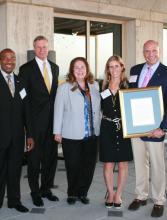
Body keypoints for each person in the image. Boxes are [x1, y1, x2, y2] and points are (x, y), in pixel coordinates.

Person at [128, 40, 167, 217]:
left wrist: (164, 128)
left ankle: (158, 200)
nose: (150, 54)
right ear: (143, 52)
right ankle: (141, 195)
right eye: (147, 51)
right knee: (140, 164)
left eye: (154, 51)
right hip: (136, 128)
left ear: (159, 51)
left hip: (156, 128)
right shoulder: (134, 70)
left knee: (157, 165)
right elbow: (130, 96)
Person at [53, 57, 100, 205]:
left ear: (87, 69)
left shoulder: (95, 86)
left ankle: (83, 192)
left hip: (92, 134)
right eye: (76, 67)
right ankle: (72, 193)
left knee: (88, 166)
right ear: (72, 70)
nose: (80, 70)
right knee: (73, 166)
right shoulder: (64, 87)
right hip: (71, 134)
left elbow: (99, 109)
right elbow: (58, 110)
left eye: (82, 67)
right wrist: (57, 131)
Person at [19, 36, 59, 207]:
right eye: (39, 47)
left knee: (51, 159)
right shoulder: (25, 69)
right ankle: (35, 192)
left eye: (44, 47)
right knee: (34, 160)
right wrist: (28, 128)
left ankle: (46, 189)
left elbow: (55, 96)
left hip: (53, 123)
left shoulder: (55, 68)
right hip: (35, 124)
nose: (42, 50)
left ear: (48, 48)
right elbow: (24, 100)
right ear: (34, 49)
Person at [0, 48, 34, 212]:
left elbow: (27, 110)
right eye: (5, 58)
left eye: (12, 58)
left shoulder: (20, 82)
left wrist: (30, 135)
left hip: (17, 137)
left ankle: (14, 201)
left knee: (15, 171)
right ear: (0, 60)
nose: (9, 61)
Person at [99, 55, 133, 209]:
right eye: (111, 67)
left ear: (122, 67)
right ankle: (110, 193)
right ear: (108, 69)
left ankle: (118, 194)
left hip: (123, 129)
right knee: (108, 164)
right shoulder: (101, 86)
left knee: (123, 164)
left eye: (117, 66)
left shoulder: (129, 86)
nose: (114, 70)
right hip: (106, 128)